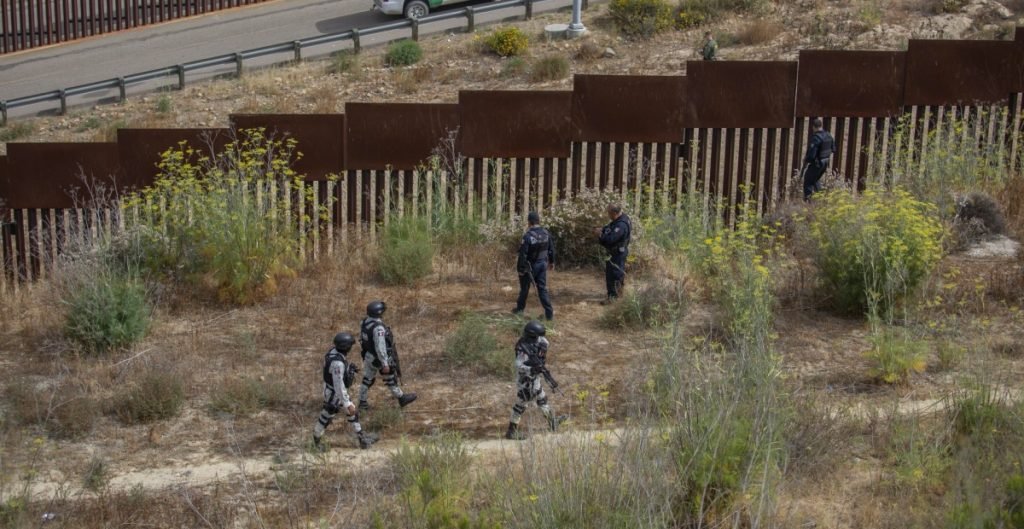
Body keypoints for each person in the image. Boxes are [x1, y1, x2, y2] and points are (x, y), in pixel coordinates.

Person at [313, 332, 377, 450]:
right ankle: (316, 442)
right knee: (326, 417)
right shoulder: (338, 363)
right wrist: (346, 402)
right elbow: (338, 385)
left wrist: (348, 369)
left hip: (333, 391)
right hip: (334, 394)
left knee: (352, 413)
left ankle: (362, 438)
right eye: (350, 346)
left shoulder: (332, 352)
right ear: (346, 347)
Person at [505, 321, 567, 440]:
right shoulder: (522, 348)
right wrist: (532, 369)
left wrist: (539, 364)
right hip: (525, 379)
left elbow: (544, 344)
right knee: (521, 404)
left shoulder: (539, 341)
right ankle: (511, 431)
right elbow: (518, 366)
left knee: (542, 399)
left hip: (535, 377)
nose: (541, 338)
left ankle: (552, 422)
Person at [358, 301, 417, 411]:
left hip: (369, 356)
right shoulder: (378, 328)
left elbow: (362, 339)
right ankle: (401, 397)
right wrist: (385, 363)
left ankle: (362, 402)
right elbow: (380, 347)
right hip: (379, 358)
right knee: (390, 378)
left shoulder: (364, 322)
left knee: (367, 380)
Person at [513, 211, 556, 321]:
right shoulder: (546, 233)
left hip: (530, 267)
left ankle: (519, 310)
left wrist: (520, 269)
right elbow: (551, 250)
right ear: (538, 221)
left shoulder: (528, 236)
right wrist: (552, 262)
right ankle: (549, 313)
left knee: (524, 289)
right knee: (542, 289)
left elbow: (523, 255)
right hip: (543, 264)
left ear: (529, 222)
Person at [595, 204, 631, 304]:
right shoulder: (621, 218)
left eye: (609, 213)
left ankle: (613, 298)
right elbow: (610, 227)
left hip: (617, 253)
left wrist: (600, 235)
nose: (608, 215)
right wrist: (602, 229)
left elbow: (610, 239)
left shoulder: (621, 225)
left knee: (613, 275)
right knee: (617, 274)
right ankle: (618, 294)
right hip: (617, 252)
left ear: (615, 213)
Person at [803, 117, 835, 200]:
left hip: (817, 163)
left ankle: (808, 202)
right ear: (821, 125)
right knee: (815, 180)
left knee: (808, 181)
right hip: (825, 163)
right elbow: (833, 149)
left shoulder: (816, 137)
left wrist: (807, 160)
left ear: (813, 127)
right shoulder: (828, 135)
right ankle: (820, 200)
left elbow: (811, 155)